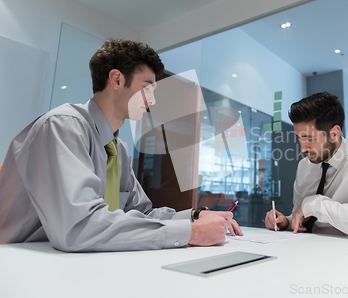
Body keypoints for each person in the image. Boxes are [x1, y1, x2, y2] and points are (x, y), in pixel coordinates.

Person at [0, 38, 242, 252]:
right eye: (147, 87)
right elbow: (79, 227)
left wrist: (194, 216)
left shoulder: (118, 149)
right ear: (116, 79)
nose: (153, 99)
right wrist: (191, 234)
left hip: (74, 261)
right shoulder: (63, 127)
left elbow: (142, 213)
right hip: (20, 261)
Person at [264, 92, 348, 241]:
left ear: (334, 134)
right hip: (307, 249)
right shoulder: (305, 165)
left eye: (309, 138)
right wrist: (286, 221)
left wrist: (313, 203)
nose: (303, 148)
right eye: (299, 138)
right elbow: (304, 215)